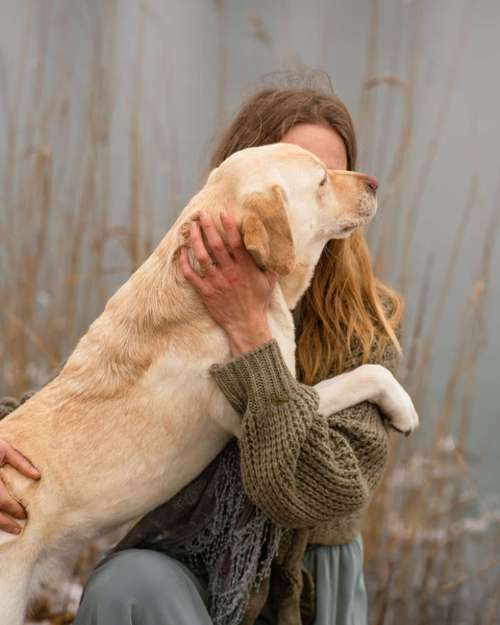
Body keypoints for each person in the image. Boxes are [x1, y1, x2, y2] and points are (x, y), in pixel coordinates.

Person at [0, 80, 406, 625]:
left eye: (338, 167)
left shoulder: (365, 330)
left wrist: (249, 331)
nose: (351, 184)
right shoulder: (180, 300)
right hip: (182, 571)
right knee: (129, 585)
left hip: (300, 591)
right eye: (317, 180)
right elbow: (93, 400)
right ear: (265, 209)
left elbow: (312, 490)